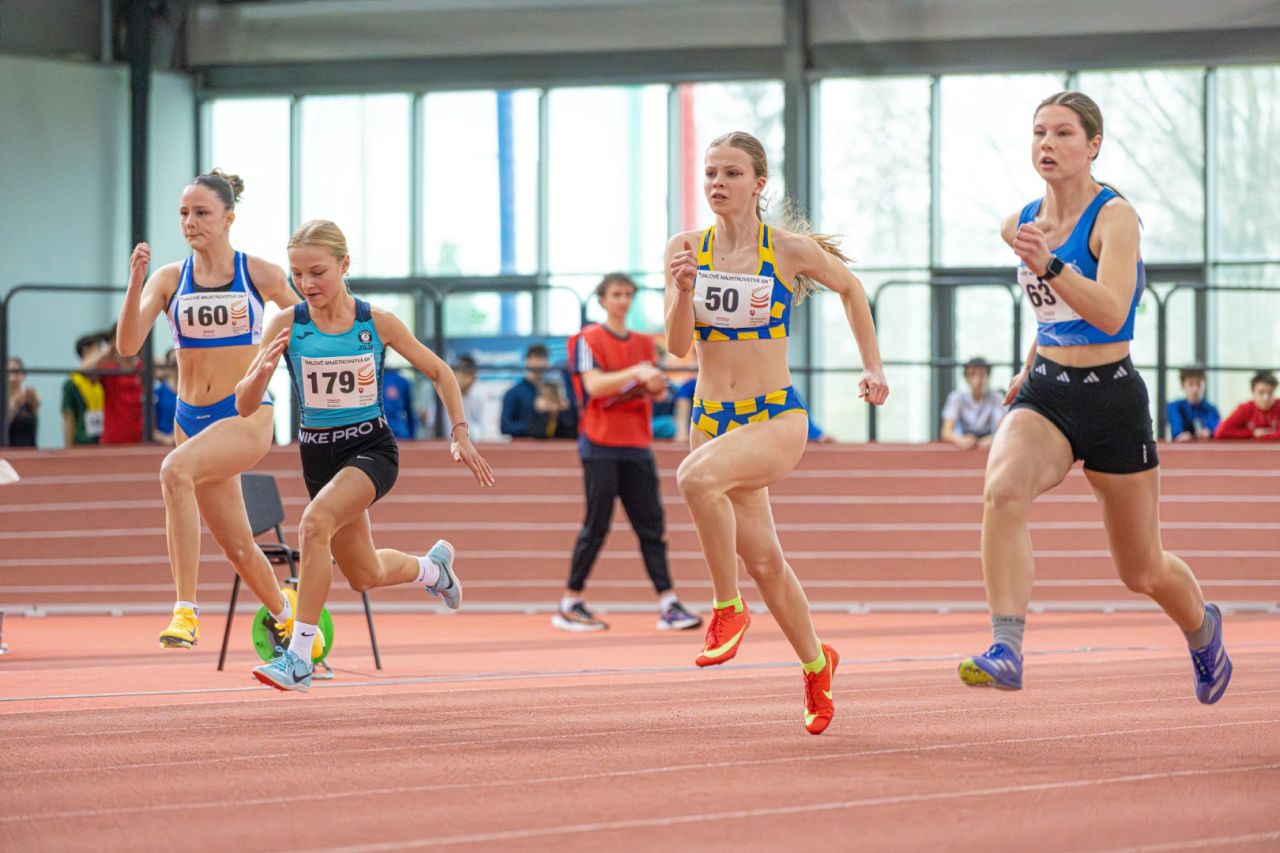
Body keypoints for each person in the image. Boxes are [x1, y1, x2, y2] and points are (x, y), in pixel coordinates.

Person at [959, 92, 1231, 704]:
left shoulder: (1116, 219)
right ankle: (1007, 648)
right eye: (1039, 133)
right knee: (1002, 490)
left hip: (1113, 401)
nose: (1047, 144)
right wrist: (1028, 362)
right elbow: (1050, 312)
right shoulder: (1019, 223)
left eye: (1063, 133)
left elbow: (1110, 314)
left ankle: (1203, 628)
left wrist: (1051, 264)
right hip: (1048, 394)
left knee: (1141, 569)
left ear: (1093, 145)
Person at [665, 131, 888, 735]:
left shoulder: (787, 251)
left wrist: (872, 366)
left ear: (758, 184)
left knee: (694, 481)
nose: (718, 183)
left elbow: (852, 289)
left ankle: (726, 607)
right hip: (710, 419)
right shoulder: (685, 249)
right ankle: (817, 664)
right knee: (765, 560)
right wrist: (683, 291)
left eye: (732, 173)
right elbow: (679, 346)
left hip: (773, 416)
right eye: (711, 172)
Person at [240, 220, 494, 692]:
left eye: (317, 272)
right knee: (363, 573)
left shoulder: (375, 322)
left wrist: (459, 431)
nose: (306, 283)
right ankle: (432, 569)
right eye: (297, 274)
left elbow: (440, 372)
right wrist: (259, 375)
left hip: (370, 450)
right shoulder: (285, 325)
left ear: (344, 264)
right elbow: (244, 404)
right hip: (318, 458)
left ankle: (299, 659)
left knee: (313, 525)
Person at [116, 169, 304, 651]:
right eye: (183, 213)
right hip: (190, 419)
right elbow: (128, 345)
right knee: (237, 545)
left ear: (228, 219)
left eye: (201, 213)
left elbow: (310, 327)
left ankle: (186, 611)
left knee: (174, 471)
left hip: (244, 414)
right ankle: (289, 619)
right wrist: (135, 283)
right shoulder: (168, 279)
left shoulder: (258, 274)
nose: (190, 222)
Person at [557, 273, 702, 634]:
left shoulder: (644, 342)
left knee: (651, 525)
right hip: (600, 443)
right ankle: (570, 601)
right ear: (602, 300)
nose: (623, 300)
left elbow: (657, 392)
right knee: (597, 524)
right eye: (616, 294)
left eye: (627, 294)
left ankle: (668, 602)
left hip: (637, 444)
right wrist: (636, 372)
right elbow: (594, 385)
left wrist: (654, 385)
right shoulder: (587, 339)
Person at [500, 343, 577, 439]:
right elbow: (505, 426)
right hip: (524, 444)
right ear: (527, 360)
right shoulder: (514, 393)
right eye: (535, 358)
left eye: (542, 358)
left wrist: (560, 410)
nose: (539, 363)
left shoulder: (556, 392)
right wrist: (532, 427)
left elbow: (569, 425)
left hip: (552, 444)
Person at [87, 324, 144, 445]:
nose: (127, 341)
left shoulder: (143, 367)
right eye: (122, 336)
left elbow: (166, 370)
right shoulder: (109, 368)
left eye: (131, 336)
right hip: (113, 438)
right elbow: (82, 371)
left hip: (140, 438)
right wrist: (107, 352)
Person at [941, 357, 1006, 448]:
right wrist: (959, 440)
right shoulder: (956, 397)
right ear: (966, 378)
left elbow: (1004, 428)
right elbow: (946, 432)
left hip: (987, 441)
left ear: (987, 376)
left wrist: (993, 439)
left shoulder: (996, 397)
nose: (977, 380)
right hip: (963, 440)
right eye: (972, 374)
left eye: (981, 375)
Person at [61, 334, 105, 447]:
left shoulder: (105, 379)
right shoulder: (72, 384)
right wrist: (68, 447)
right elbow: (68, 417)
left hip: (104, 440)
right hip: (82, 442)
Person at [1213, 371, 1279, 440]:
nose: (1266, 398)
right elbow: (1220, 432)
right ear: (1253, 392)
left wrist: (1264, 436)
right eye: (1261, 393)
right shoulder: (1245, 409)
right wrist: (1252, 433)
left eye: (1270, 393)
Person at [1167, 367, 1219, 442]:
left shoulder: (1211, 409)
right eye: (1191, 384)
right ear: (1183, 386)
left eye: (1198, 383)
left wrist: (1209, 432)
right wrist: (1180, 435)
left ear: (1204, 385)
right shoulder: (1174, 407)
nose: (1195, 389)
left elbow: (1215, 428)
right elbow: (1176, 431)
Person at [6, 357, 40, 447]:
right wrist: (14, 407)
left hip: (29, 450)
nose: (12, 377)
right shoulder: (3, 401)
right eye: (9, 372)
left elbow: (34, 425)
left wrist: (35, 405)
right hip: (6, 451)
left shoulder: (29, 398)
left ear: (24, 375)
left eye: (16, 372)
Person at [381, 367, 416, 440]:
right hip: (394, 434)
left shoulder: (401, 381)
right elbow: (410, 412)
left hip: (397, 434)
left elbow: (410, 412)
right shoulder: (401, 381)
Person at [154, 349, 179, 445]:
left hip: (187, 441)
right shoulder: (159, 392)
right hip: (164, 443)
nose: (177, 367)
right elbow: (150, 427)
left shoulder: (193, 391)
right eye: (173, 362)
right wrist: (166, 439)